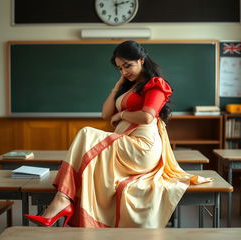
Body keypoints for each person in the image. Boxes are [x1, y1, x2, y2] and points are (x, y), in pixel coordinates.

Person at [24, 40, 212, 228]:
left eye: (127, 66)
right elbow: (106, 114)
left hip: (142, 148)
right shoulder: (128, 86)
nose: (124, 72)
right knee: (86, 137)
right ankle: (62, 198)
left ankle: (62, 200)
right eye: (120, 69)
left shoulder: (156, 84)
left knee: (86, 133)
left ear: (141, 59)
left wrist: (122, 114)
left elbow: (147, 117)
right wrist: (117, 86)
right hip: (125, 143)